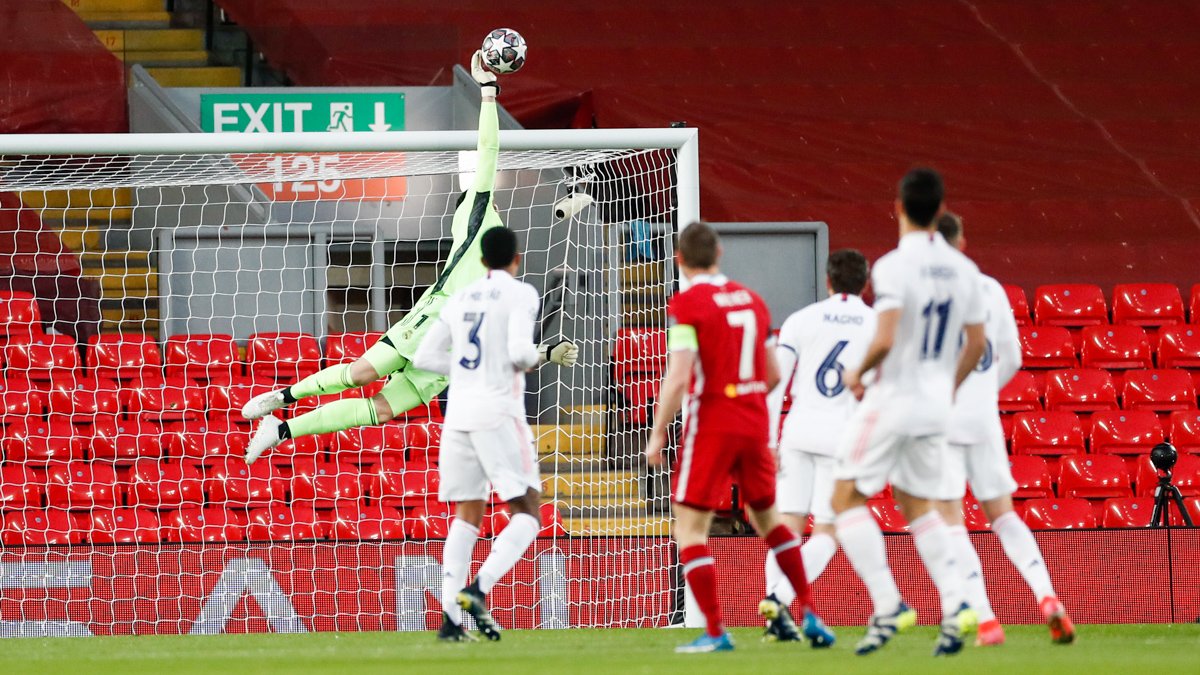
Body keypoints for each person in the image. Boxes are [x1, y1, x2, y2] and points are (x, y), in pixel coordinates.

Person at [240, 51, 578, 462]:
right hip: (433, 319)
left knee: (379, 410)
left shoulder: (508, 289)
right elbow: (488, 151)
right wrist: (488, 94)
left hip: (448, 357)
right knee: (361, 374)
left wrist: (545, 354)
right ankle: (282, 396)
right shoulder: (476, 224)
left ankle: (280, 429)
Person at [644, 221, 835, 653]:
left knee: (690, 529)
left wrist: (657, 436)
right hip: (752, 422)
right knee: (771, 524)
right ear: (719, 255)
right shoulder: (754, 301)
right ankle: (809, 615)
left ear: (680, 260)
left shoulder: (687, 304)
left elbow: (678, 376)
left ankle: (715, 632)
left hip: (712, 421)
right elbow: (771, 373)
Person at [830, 167, 986, 657]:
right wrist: (946, 387)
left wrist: (857, 374)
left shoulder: (894, 266)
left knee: (843, 498)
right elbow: (976, 343)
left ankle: (888, 603)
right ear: (941, 211)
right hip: (936, 406)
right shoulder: (965, 270)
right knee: (918, 504)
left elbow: (886, 336)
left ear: (897, 207)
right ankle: (960, 604)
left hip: (894, 400)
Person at [411, 226, 575, 642]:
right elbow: (521, 352)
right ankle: (477, 589)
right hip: (498, 412)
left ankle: (451, 622)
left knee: (466, 516)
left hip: (458, 416)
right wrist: (530, 358)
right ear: (515, 258)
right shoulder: (521, 293)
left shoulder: (460, 297)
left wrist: (467, 369)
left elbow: (424, 356)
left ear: (482, 260)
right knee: (529, 511)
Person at [931, 212, 1075, 646]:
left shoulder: (923, 290)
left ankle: (988, 618)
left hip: (941, 417)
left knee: (950, 519)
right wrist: (983, 392)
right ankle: (1046, 596)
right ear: (963, 241)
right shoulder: (991, 288)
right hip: (983, 414)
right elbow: (1012, 356)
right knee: (1003, 514)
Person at [762, 249, 876, 641]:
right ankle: (778, 599)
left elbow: (774, 383)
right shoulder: (877, 325)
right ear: (865, 283)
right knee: (827, 532)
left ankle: (773, 614)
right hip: (840, 436)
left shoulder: (800, 320)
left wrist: (769, 439)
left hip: (797, 431)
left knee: (787, 527)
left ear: (828, 280)